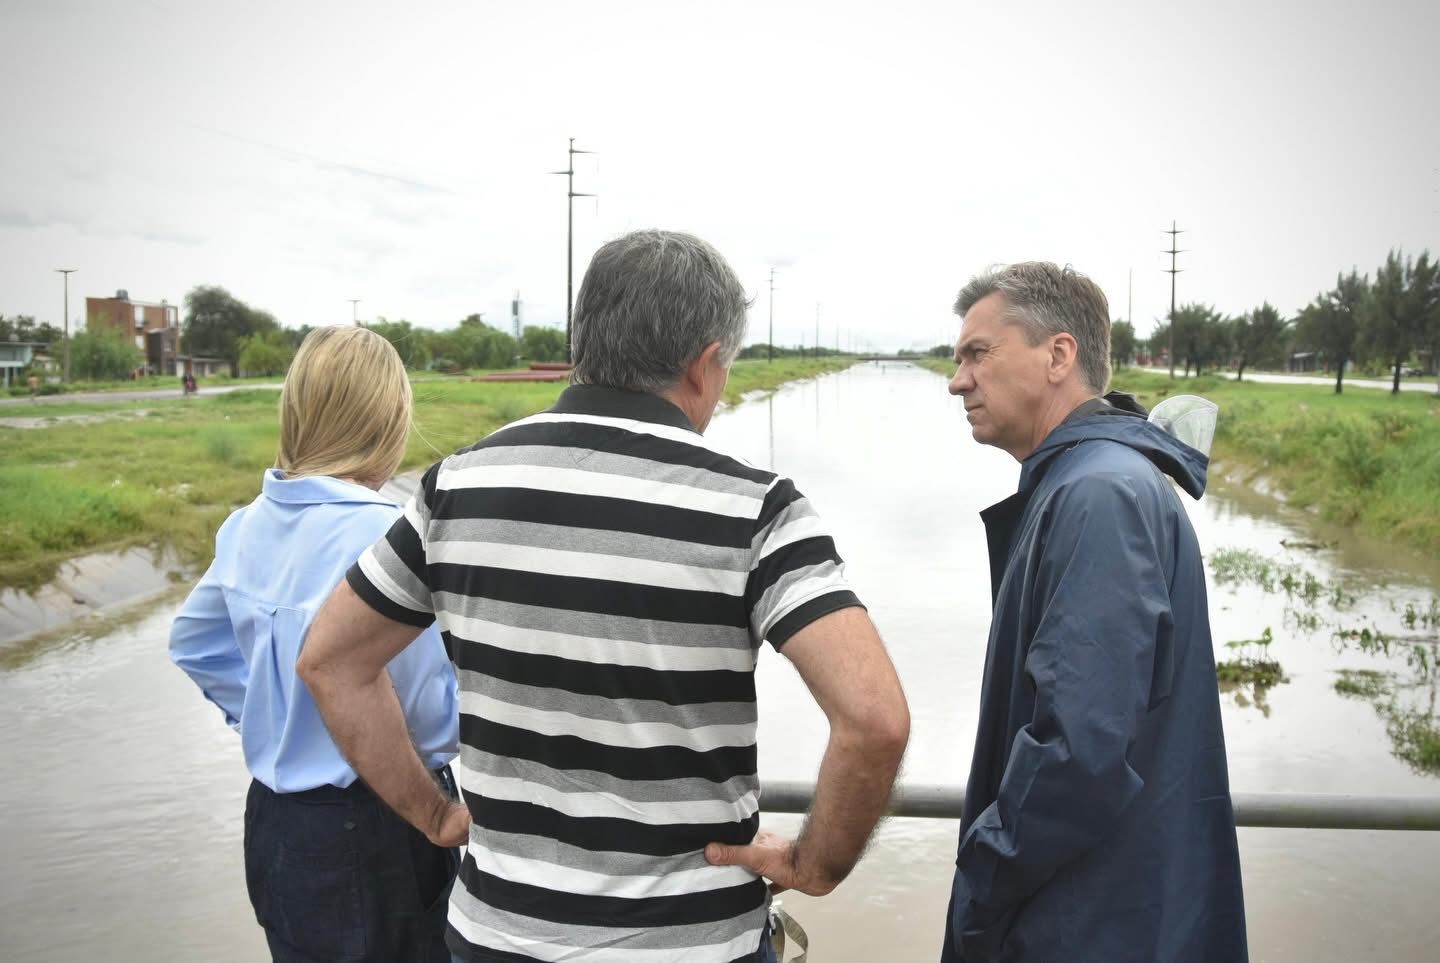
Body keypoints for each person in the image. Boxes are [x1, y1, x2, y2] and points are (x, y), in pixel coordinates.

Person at [297, 229, 911, 963]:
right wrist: (815, 862)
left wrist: (433, 813)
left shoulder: (455, 487)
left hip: (499, 936)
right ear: (706, 362)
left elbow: (331, 661)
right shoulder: (756, 508)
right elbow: (873, 719)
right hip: (694, 944)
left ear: (584, 339)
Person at [939, 263, 1247, 962]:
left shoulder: (1099, 495)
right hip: (1110, 913)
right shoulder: (1089, 481)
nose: (958, 380)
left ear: (1058, 355)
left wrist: (979, 885)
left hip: (1092, 926)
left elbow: (1077, 749)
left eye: (977, 354)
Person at [170, 326, 460, 962]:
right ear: (388, 420)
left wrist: (279, 714)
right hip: (385, 818)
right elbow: (431, 702)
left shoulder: (247, 524)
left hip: (277, 822)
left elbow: (194, 643)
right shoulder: (390, 535)